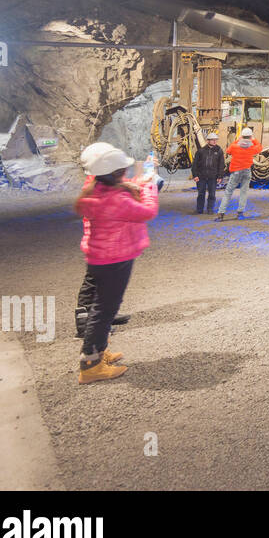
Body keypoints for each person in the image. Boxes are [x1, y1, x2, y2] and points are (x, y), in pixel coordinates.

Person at [74, 147, 159, 384]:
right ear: (115, 172)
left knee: (102, 308)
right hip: (115, 259)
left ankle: (98, 352)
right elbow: (147, 211)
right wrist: (149, 186)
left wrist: (137, 183)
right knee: (104, 312)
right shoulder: (115, 198)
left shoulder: (97, 189)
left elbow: (120, 191)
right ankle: (91, 364)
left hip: (102, 258)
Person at [74, 142, 132, 338]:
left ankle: (105, 315)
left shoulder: (99, 181)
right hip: (99, 243)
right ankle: (84, 322)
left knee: (103, 282)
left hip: (104, 242)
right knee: (92, 281)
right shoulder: (97, 185)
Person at [217, 126, 257, 220]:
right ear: (250, 137)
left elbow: (228, 151)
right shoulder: (252, 146)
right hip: (247, 171)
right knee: (244, 192)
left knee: (228, 192)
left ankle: (221, 214)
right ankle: (240, 213)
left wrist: (238, 140)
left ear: (242, 136)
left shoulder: (234, 146)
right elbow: (259, 147)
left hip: (236, 172)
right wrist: (254, 140)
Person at [190, 132, 225, 214]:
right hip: (201, 177)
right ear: (208, 141)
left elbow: (221, 165)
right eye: (213, 140)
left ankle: (210, 209)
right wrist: (195, 175)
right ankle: (199, 210)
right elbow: (195, 164)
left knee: (212, 194)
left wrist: (220, 176)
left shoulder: (219, 151)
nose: (215, 141)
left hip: (213, 177)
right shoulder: (201, 151)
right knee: (201, 194)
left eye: (216, 140)